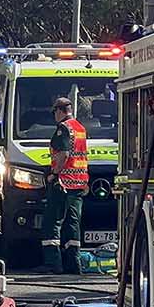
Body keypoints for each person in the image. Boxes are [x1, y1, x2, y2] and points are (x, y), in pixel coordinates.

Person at [40, 97, 90, 274]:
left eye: (55, 112)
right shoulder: (80, 128)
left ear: (59, 110)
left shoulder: (63, 128)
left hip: (63, 183)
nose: (54, 115)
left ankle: (53, 263)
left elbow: (63, 154)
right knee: (72, 224)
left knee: (52, 222)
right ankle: (73, 263)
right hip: (78, 184)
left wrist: (54, 174)